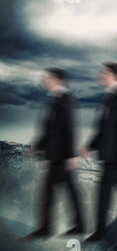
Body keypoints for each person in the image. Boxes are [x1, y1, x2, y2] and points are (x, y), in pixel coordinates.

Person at [25, 68, 84, 238]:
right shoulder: (56, 100)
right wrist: (37, 146)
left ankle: (50, 228)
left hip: (62, 157)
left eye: (48, 78)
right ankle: (57, 227)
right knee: (57, 192)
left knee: (64, 192)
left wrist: (72, 155)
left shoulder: (65, 100)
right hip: (56, 156)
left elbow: (70, 128)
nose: (45, 81)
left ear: (57, 80)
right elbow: (50, 130)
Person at [82, 62, 117, 242]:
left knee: (109, 196)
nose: (100, 76)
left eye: (103, 73)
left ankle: (101, 232)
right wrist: (90, 146)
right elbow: (104, 129)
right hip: (111, 157)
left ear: (113, 75)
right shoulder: (109, 97)